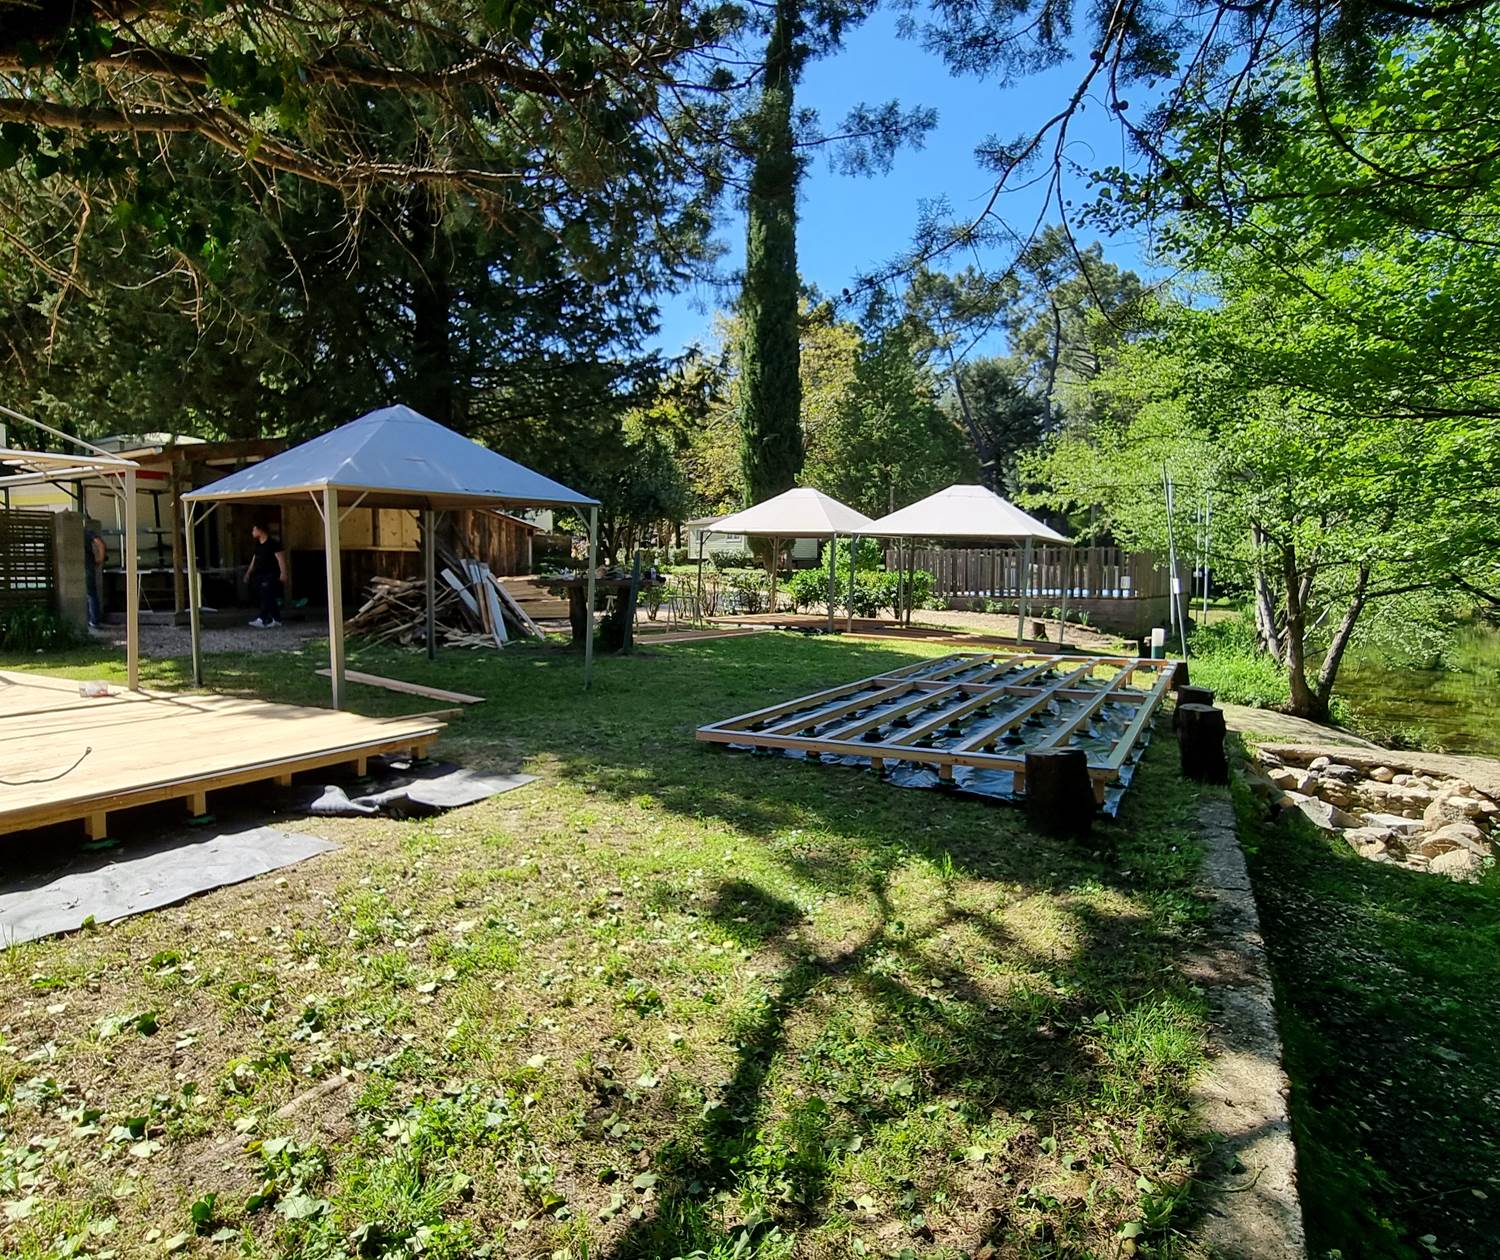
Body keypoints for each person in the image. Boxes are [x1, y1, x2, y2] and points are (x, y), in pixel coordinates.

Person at [245, 519, 288, 628]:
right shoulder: (257, 545)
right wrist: (248, 573)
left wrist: (283, 573)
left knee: (266, 593)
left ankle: (261, 618)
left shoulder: (273, 544)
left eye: (254, 529)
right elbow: (254, 560)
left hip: (271, 574)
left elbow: (281, 559)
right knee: (267, 596)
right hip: (259, 574)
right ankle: (277, 619)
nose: (252, 532)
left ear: (260, 530)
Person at [83, 518, 106, 629]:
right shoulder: (86, 532)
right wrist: (100, 559)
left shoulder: (78, 533)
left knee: (88, 594)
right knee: (91, 594)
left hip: (79, 566)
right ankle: (94, 621)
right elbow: (100, 543)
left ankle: (92, 620)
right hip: (88, 565)